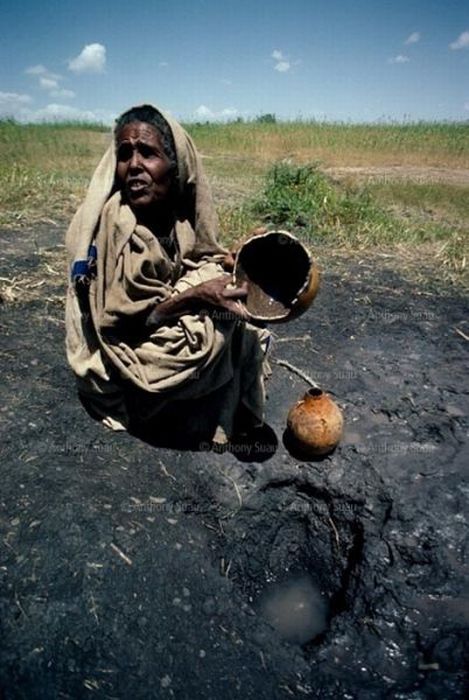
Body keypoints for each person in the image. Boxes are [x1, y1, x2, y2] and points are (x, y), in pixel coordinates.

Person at [65, 104, 271, 448]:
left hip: (149, 325)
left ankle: (209, 399)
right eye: (125, 154)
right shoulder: (121, 227)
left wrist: (231, 261)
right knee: (210, 333)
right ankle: (169, 409)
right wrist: (197, 296)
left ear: (176, 166)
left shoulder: (177, 218)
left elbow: (196, 259)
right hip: (121, 354)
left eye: (148, 153)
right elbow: (124, 325)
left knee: (233, 305)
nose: (134, 166)